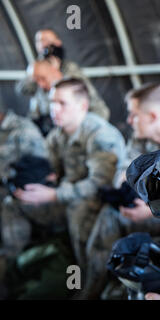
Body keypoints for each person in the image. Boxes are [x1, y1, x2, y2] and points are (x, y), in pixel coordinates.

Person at [0, 78, 125, 296]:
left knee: (79, 210)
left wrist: (54, 194)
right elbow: (49, 168)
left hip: (96, 205)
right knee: (15, 202)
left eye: (62, 103)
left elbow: (101, 185)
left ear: (82, 106)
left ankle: (85, 285)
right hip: (65, 198)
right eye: (51, 102)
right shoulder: (58, 135)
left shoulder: (100, 135)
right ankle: (12, 267)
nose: (54, 109)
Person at [85, 83, 160, 299]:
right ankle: (98, 286)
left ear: (151, 116)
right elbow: (122, 175)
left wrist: (153, 209)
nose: (129, 121)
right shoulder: (139, 138)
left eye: (133, 115)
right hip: (151, 209)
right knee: (108, 217)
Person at [16, 29, 110, 135]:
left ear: (57, 43)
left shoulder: (70, 71)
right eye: (39, 41)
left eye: (46, 40)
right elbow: (22, 89)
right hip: (46, 126)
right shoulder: (36, 68)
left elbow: (97, 107)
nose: (43, 44)